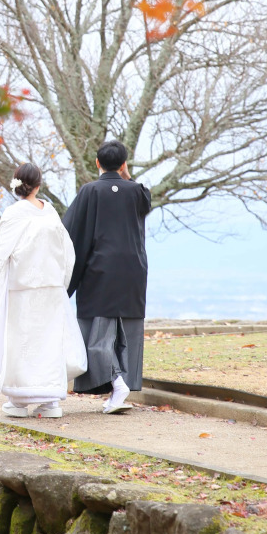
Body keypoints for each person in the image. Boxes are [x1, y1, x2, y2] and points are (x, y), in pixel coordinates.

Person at [0, 161, 87, 419]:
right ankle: (50, 401)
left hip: (22, 288)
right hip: (50, 286)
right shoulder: (50, 212)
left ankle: (19, 400)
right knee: (49, 341)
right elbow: (67, 251)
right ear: (39, 185)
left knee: (21, 341)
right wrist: (61, 282)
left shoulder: (13, 214)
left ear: (16, 184)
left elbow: (2, 254)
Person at [62, 140, 151, 414]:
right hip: (133, 270)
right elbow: (144, 201)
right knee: (128, 330)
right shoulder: (137, 191)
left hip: (99, 270)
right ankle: (119, 386)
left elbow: (68, 231)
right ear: (124, 164)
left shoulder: (90, 191)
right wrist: (126, 177)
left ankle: (116, 382)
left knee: (97, 333)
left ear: (97, 163)